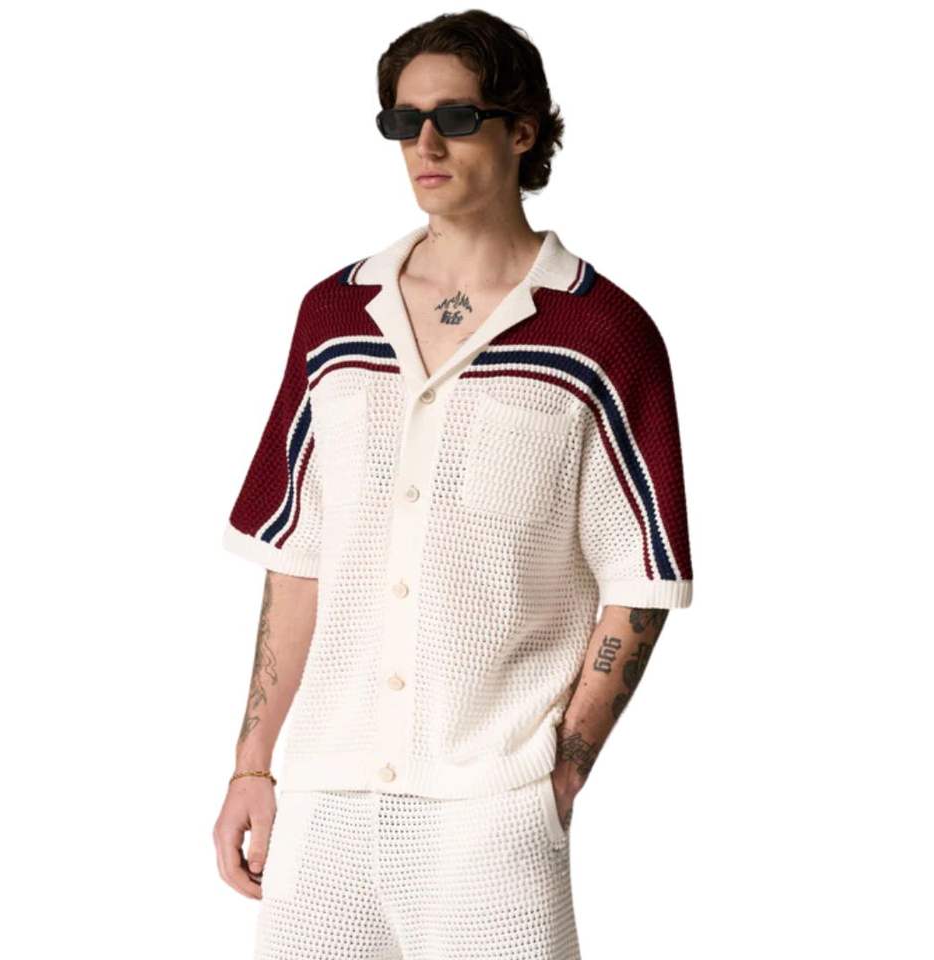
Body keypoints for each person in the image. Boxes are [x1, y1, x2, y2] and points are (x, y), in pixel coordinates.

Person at [212, 10, 693, 959]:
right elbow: (297, 557)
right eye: (403, 122)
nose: (424, 145)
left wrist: (559, 777)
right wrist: (251, 766)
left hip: (493, 814)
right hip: (324, 803)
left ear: (523, 130)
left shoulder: (603, 337)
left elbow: (641, 582)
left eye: (456, 118)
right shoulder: (333, 317)